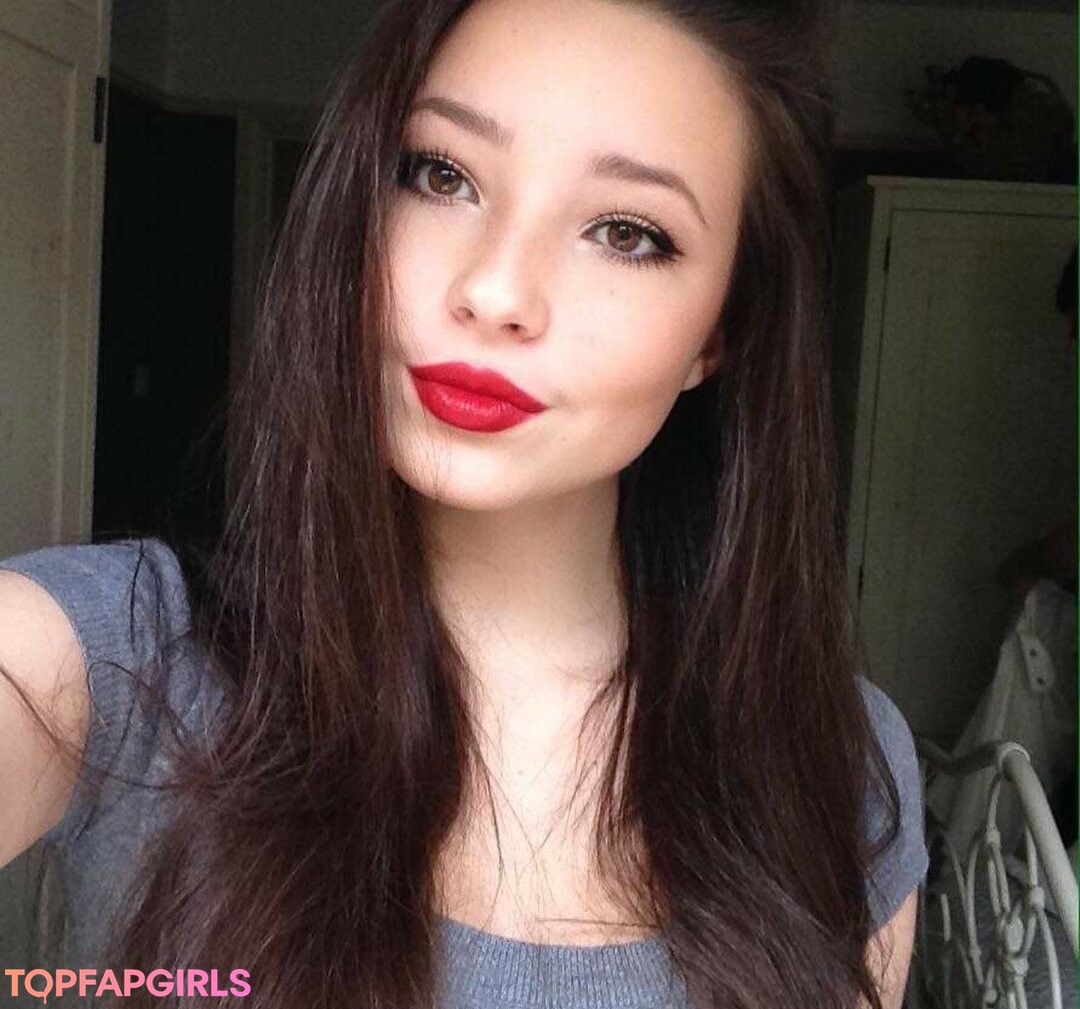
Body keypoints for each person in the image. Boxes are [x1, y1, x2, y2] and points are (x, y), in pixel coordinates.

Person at [0, 0, 928, 1007]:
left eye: (626, 232)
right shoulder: (116, 663)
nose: (495, 290)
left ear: (720, 330)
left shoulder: (836, 761)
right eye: (441, 176)